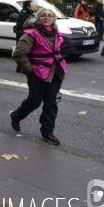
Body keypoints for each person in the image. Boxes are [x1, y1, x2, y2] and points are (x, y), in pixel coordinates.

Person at [10, 8, 66, 145]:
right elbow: (19, 54)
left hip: (56, 74)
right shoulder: (31, 34)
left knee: (52, 104)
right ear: (38, 18)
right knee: (35, 101)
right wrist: (30, 71)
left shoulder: (57, 34)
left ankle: (47, 133)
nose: (47, 18)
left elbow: (58, 52)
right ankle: (16, 116)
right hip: (38, 74)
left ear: (53, 19)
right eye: (43, 15)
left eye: (50, 16)